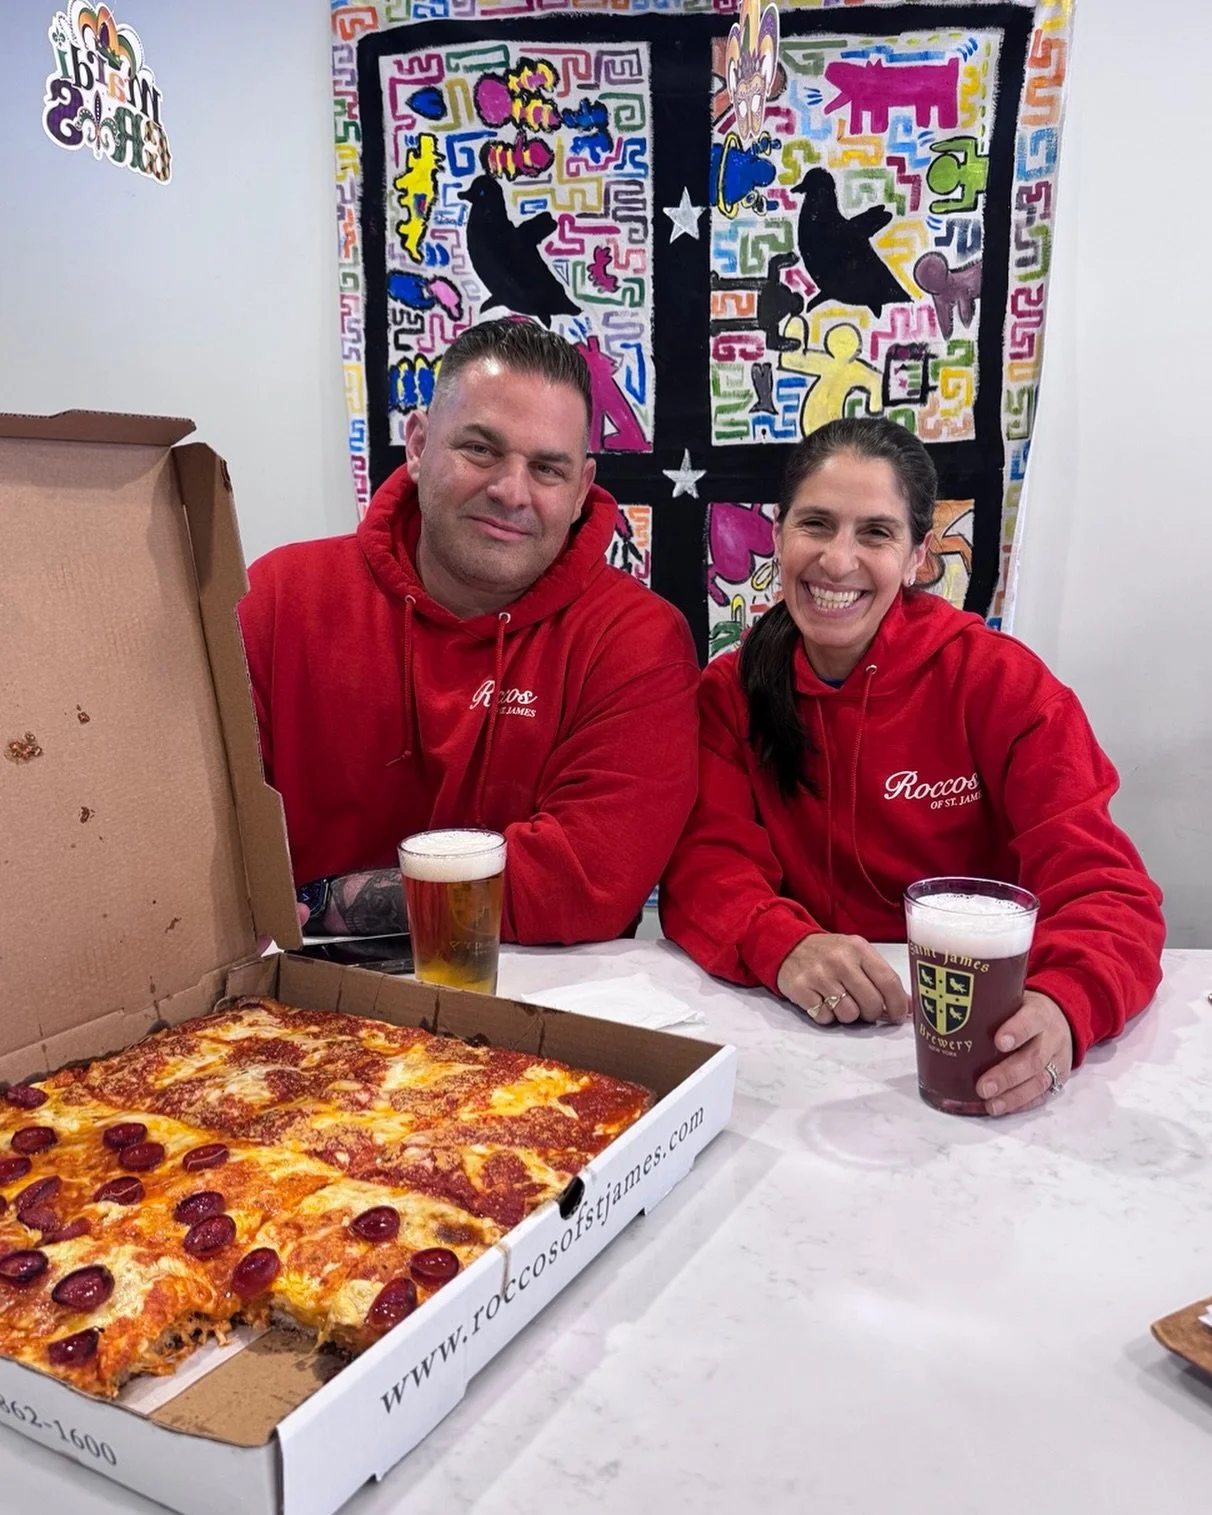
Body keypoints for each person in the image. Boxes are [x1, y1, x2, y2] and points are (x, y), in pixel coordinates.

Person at [660, 417, 1164, 1116]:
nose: (838, 561)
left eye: (875, 533)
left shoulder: (1002, 684)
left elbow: (1107, 889)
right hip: (796, 1040)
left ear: (918, 556)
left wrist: (1064, 1006)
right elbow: (704, 864)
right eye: (816, 524)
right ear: (777, 534)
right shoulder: (729, 691)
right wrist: (784, 943)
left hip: (977, 1041)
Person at [239, 319, 699, 944]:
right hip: (289, 988)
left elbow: (584, 880)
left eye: (548, 469)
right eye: (481, 450)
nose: (511, 492)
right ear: (418, 444)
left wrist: (324, 901)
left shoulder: (637, 639)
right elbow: (204, 829)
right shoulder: (276, 598)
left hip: (540, 992)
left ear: (582, 489)